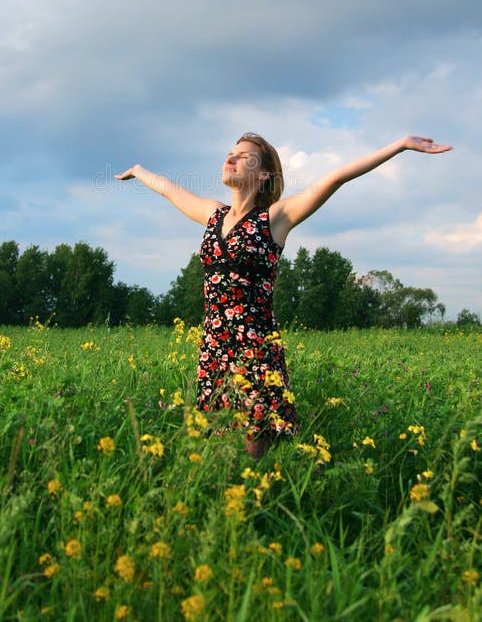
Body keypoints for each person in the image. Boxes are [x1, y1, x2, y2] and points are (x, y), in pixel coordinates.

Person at [115, 133, 452, 458]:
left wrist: (400, 146)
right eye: (229, 153)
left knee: (254, 443)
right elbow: (169, 190)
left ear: (263, 175)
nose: (230, 158)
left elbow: (335, 178)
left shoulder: (274, 219)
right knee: (217, 437)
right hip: (215, 342)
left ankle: (260, 501)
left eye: (244, 156)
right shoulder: (212, 215)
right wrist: (140, 171)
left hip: (256, 343)